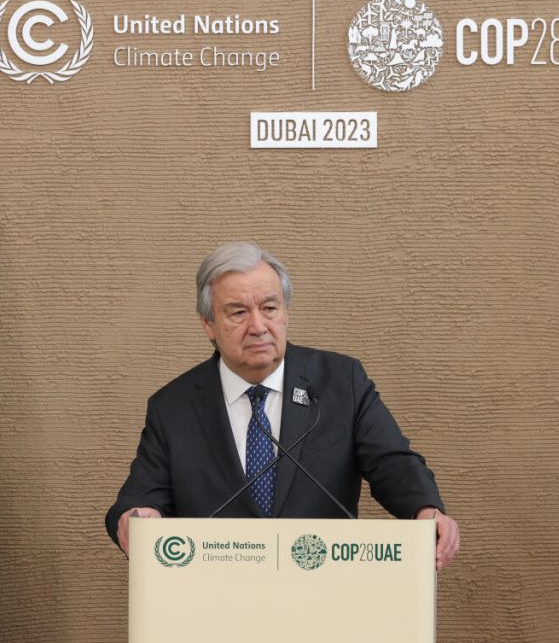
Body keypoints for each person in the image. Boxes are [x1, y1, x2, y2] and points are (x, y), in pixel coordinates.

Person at [105, 242, 459, 570]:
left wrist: (425, 508)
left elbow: (392, 463)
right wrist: (136, 518)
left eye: (269, 308)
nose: (258, 326)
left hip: (324, 586)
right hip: (217, 595)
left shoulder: (341, 382)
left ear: (285, 312)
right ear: (208, 325)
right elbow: (140, 499)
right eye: (238, 312)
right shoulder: (174, 407)